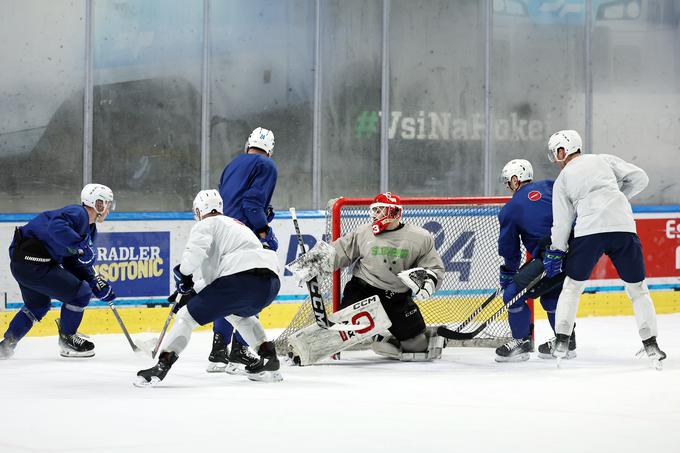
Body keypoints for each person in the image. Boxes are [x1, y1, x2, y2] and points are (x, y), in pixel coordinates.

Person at [543, 129, 666, 366]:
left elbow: (562, 222)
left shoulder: (563, 179)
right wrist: (617, 198)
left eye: (555, 153)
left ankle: (561, 341)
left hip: (590, 230)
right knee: (638, 289)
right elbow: (640, 178)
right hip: (623, 227)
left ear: (562, 151)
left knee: (572, 287)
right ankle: (651, 345)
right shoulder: (603, 160)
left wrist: (556, 250)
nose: (555, 160)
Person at [135, 190, 282, 386]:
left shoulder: (205, 224)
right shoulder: (238, 226)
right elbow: (217, 278)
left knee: (185, 317)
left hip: (239, 279)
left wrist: (183, 274)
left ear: (198, 210)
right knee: (239, 316)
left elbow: (195, 256)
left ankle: (161, 367)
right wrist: (193, 291)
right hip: (269, 283)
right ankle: (268, 357)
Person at [289, 192, 445, 361]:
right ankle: (378, 335)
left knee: (417, 346)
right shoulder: (364, 232)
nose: (375, 215)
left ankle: (389, 337)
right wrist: (311, 264)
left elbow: (434, 268)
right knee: (339, 334)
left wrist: (429, 280)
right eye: (375, 210)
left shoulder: (420, 237)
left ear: (394, 212)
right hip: (363, 291)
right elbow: (339, 250)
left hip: (397, 298)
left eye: (380, 210)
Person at [0, 184, 116, 359]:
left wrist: (94, 281)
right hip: (34, 263)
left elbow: (72, 261)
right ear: (98, 204)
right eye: (107, 204)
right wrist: (80, 247)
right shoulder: (78, 213)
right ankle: (68, 339)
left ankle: (7, 345)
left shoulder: (89, 229)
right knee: (80, 294)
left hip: (24, 264)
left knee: (37, 305)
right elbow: (57, 227)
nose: (109, 209)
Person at [207, 126, 279, 373]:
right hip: (244, 237)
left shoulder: (232, 164)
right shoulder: (266, 165)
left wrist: (262, 213)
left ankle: (218, 352)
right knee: (254, 289)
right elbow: (251, 204)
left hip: (223, 233)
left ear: (247, 144)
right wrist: (263, 230)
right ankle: (240, 349)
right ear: (270, 151)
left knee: (226, 290)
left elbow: (231, 201)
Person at [495, 159, 575, 362]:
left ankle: (521, 342)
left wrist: (508, 271)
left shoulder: (511, 208)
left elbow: (510, 249)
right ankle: (565, 342)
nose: (508, 187)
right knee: (551, 295)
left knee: (512, 294)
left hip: (549, 255)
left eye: (508, 182)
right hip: (575, 251)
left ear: (515, 179)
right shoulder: (551, 185)